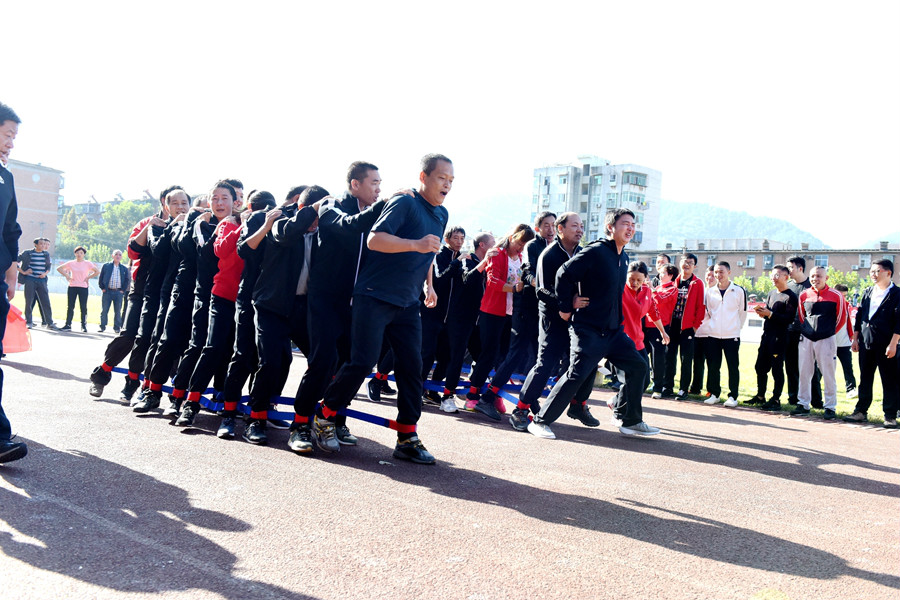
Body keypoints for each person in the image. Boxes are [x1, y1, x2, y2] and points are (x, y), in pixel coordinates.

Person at [315, 153, 452, 465]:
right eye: (442, 178)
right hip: (374, 296)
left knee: (412, 367)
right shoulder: (404, 203)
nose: (447, 185)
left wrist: (429, 285)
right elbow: (375, 240)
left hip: (409, 302)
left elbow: (429, 252)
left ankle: (407, 437)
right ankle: (324, 414)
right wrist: (415, 244)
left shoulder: (441, 214)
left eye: (451, 180)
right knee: (363, 362)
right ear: (424, 177)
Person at [528, 208, 658, 439]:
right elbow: (563, 274)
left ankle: (630, 421)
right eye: (625, 223)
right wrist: (565, 307)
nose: (630, 228)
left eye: (633, 224)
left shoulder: (623, 257)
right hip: (588, 329)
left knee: (639, 367)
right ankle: (540, 421)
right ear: (610, 227)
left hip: (614, 332)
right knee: (576, 375)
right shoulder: (596, 251)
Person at [291, 163, 387, 453]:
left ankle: (333, 419)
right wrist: (383, 206)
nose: (378, 189)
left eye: (380, 183)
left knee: (353, 364)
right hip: (325, 301)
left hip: (357, 303)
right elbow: (348, 226)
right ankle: (300, 425)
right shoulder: (332, 206)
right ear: (355, 184)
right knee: (323, 361)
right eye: (373, 183)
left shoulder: (376, 214)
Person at [510, 212, 595, 431]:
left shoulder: (583, 253)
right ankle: (520, 410)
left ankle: (578, 405)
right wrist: (567, 303)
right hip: (551, 317)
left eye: (581, 226)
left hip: (575, 317)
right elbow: (541, 291)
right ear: (560, 229)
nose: (580, 230)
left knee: (587, 359)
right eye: (574, 225)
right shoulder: (548, 255)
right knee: (545, 364)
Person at [464, 223, 535, 420]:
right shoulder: (497, 253)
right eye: (519, 243)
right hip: (492, 311)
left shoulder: (521, 258)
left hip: (512, 313)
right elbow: (492, 281)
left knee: (504, 357)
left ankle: (494, 395)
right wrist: (514, 289)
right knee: (489, 354)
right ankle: (472, 396)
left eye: (525, 245)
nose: (521, 247)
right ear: (511, 237)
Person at [0, 102, 26, 464]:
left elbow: (10, 228)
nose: (11, 143)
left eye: (14, 137)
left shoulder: (6, 177)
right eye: (7, 135)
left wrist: (11, 270)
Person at [845, 260, 899, 428]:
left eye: (877, 271)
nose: (873, 275)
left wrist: (893, 344)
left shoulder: (896, 294)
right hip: (866, 343)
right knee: (865, 379)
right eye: (871, 272)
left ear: (888, 273)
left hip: (887, 345)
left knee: (889, 380)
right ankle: (861, 411)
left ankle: (890, 415)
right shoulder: (867, 292)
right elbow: (860, 316)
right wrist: (855, 338)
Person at [421, 225, 466, 407]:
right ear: (447, 240)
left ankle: (433, 390)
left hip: (451, 319)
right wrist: (456, 263)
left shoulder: (463, 260)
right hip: (432, 314)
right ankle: (418, 390)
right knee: (426, 354)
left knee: (446, 357)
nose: (459, 242)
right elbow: (439, 279)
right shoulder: (440, 256)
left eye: (462, 238)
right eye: (455, 238)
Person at [792, 266, 844, 419]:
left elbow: (841, 318)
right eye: (813, 276)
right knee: (804, 372)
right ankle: (803, 404)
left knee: (828, 374)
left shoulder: (836, 295)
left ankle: (830, 407)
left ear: (826, 278)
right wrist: (807, 332)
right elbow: (802, 316)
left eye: (819, 276)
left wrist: (828, 332)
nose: (815, 279)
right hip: (806, 339)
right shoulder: (804, 295)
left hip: (827, 339)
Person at [750, 264, 799, 411]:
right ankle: (760, 396)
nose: (774, 278)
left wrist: (770, 314)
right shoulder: (772, 293)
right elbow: (770, 313)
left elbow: (789, 319)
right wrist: (764, 313)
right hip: (767, 335)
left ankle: (776, 399)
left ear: (786, 277)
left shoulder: (791, 297)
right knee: (760, 367)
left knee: (777, 369)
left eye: (777, 275)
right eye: (772, 275)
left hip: (779, 338)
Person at [699, 261, 748, 407]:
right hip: (713, 335)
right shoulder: (710, 292)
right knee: (713, 366)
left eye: (721, 272)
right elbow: (709, 311)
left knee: (733, 367)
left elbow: (743, 312)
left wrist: (736, 328)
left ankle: (733, 396)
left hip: (731, 335)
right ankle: (715, 394)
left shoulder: (738, 291)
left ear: (729, 272)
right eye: (716, 272)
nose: (718, 275)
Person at [663, 253, 705, 398]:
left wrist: (694, 327)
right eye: (684, 261)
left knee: (686, 360)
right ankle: (667, 387)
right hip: (672, 326)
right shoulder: (674, 280)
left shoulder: (697, 283)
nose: (686, 265)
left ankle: (683, 389)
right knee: (669, 357)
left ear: (695, 266)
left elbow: (701, 307)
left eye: (690, 263)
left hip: (687, 328)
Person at [785, 256, 822, 407]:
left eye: (790, 268)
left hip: (807, 334)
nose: (788, 271)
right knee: (791, 367)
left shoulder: (811, 287)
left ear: (800, 268)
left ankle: (816, 401)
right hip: (789, 332)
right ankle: (793, 398)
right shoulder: (788, 287)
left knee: (810, 368)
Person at [648, 264, 679, 399]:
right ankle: (644, 382)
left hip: (660, 326)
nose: (660, 275)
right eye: (660, 273)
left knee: (658, 358)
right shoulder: (658, 288)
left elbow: (660, 300)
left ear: (671, 275)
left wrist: (651, 289)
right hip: (647, 325)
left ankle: (658, 388)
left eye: (663, 273)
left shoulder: (672, 289)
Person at [56, 246, 100, 332]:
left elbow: (97, 271)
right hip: (72, 286)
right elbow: (59, 268)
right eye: (77, 253)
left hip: (83, 287)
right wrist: (67, 275)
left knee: (83, 307)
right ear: (75, 254)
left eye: (81, 253)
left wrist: (88, 277)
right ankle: (68, 324)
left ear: (84, 254)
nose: (79, 254)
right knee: (70, 306)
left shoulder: (88, 263)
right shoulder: (71, 263)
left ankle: (83, 325)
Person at [17, 237, 56, 329]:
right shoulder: (27, 253)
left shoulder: (46, 254)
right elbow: (15, 261)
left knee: (46, 301)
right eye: (41, 243)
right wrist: (23, 272)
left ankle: (50, 323)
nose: (43, 245)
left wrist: (44, 274)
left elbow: (48, 267)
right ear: (35, 244)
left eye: (44, 244)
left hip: (42, 280)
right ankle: (29, 322)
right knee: (29, 301)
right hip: (30, 279)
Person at [831, 284, 858, 397]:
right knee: (821, 368)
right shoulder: (829, 306)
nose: (843, 298)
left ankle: (851, 389)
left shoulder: (847, 305)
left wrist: (852, 337)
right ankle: (815, 390)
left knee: (848, 368)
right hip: (829, 342)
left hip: (844, 343)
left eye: (845, 296)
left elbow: (849, 323)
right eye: (841, 295)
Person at [97, 249, 131, 333]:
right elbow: (101, 277)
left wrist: (122, 290)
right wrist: (102, 288)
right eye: (116, 254)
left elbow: (127, 280)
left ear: (121, 257)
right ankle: (102, 326)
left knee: (117, 311)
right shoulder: (106, 266)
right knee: (104, 310)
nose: (118, 256)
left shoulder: (123, 268)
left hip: (118, 292)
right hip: (107, 291)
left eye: (120, 255)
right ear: (112, 256)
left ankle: (116, 327)